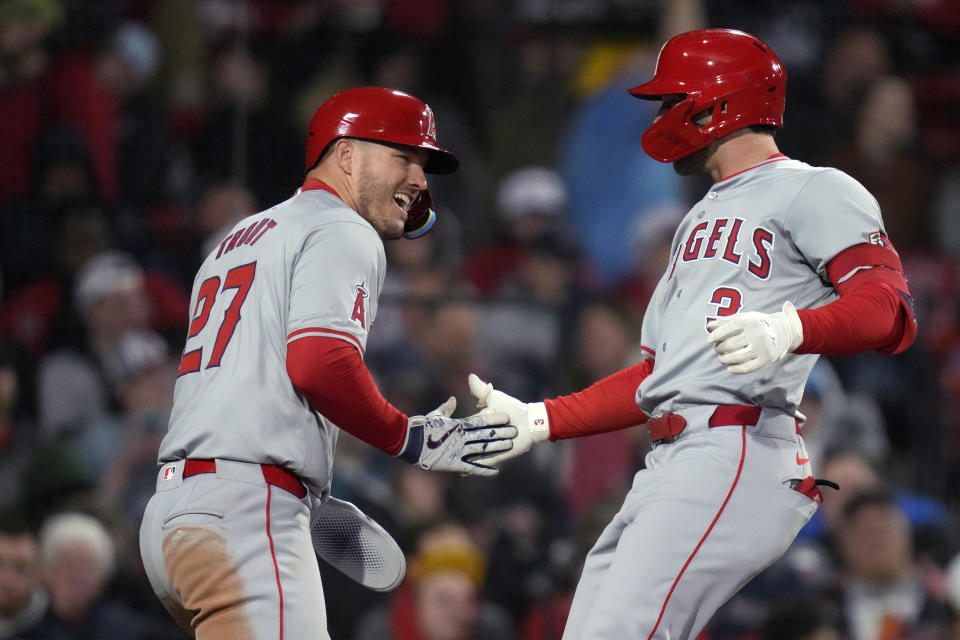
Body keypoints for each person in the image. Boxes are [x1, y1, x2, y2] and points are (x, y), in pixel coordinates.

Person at [468, 29, 917, 639]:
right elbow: (657, 378)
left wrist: (791, 329)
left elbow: (889, 309)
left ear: (718, 101)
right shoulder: (695, 220)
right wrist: (544, 420)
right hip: (673, 458)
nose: (662, 115)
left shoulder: (815, 186)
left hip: (737, 445)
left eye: (672, 98)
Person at [137, 86, 516, 639]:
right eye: (403, 157)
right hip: (246, 510)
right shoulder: (343, 228)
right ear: (346, 155)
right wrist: (408, 437)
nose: (419, 179)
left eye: (424, 164)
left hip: (174, 512)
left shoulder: (235, 239)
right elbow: (318, 362)